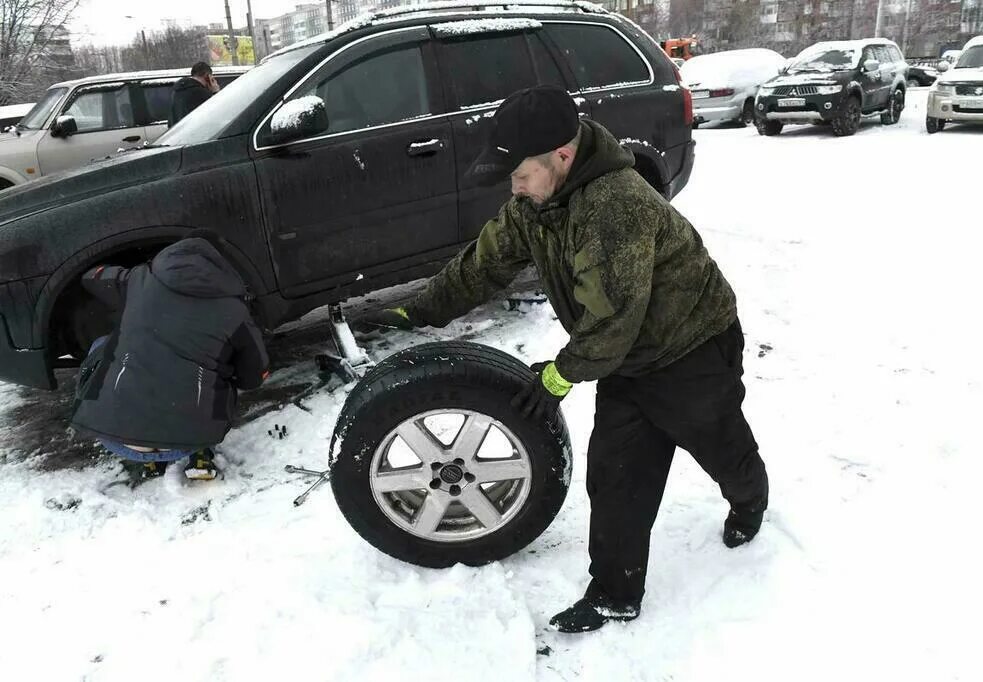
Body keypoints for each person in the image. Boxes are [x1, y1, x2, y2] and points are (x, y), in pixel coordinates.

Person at [357, 86, 769, 633]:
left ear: (563, 156)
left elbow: (611, 317)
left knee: (720, 445)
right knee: (616, 477)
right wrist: (420, 311)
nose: (514, 186)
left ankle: (750, 501)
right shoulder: (539, 203)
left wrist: (558, 377)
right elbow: (485, 263)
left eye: (521, 173)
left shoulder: (615, 206)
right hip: (625, 360)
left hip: (691, 348)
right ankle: (614, 594)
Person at [71, 231, 269, 485]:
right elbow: (254, 377)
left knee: (104, 344)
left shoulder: (138, 280)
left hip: (116, 440)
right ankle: (200, 451)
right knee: (220, 370)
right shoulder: (235, 310)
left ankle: (145, 452)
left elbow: (93, 278)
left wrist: (97, 270)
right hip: (186, 442)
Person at [167, 62, 220, 128]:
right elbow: (218, 113)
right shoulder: (201, 93)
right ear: (208, 76)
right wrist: (215, 92)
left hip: (177, 134)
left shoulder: (177, 91)